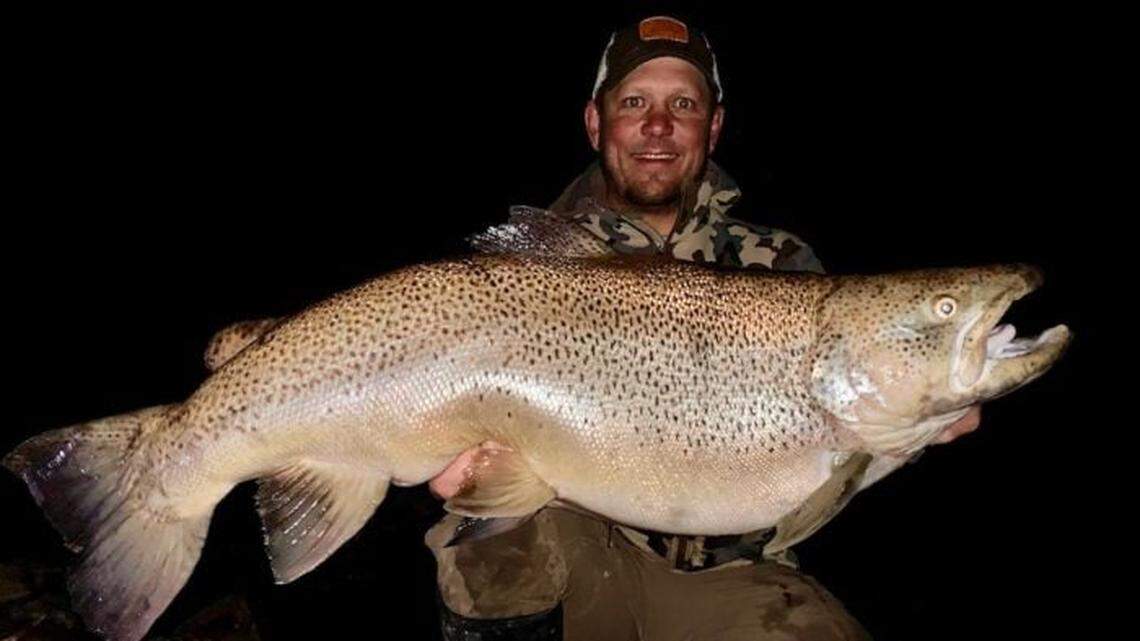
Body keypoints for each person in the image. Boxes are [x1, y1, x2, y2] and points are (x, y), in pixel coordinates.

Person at [202, 15, 981, 640]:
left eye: (684, 105)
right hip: (570, 551)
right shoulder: (538, 268)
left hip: (733, 581)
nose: (657, 125)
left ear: (713, 128)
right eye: (634, 101)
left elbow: (808, 471)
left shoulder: (783, 267)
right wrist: (472, 477)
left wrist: (914, 421)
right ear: (595, 120)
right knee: (498, 552)